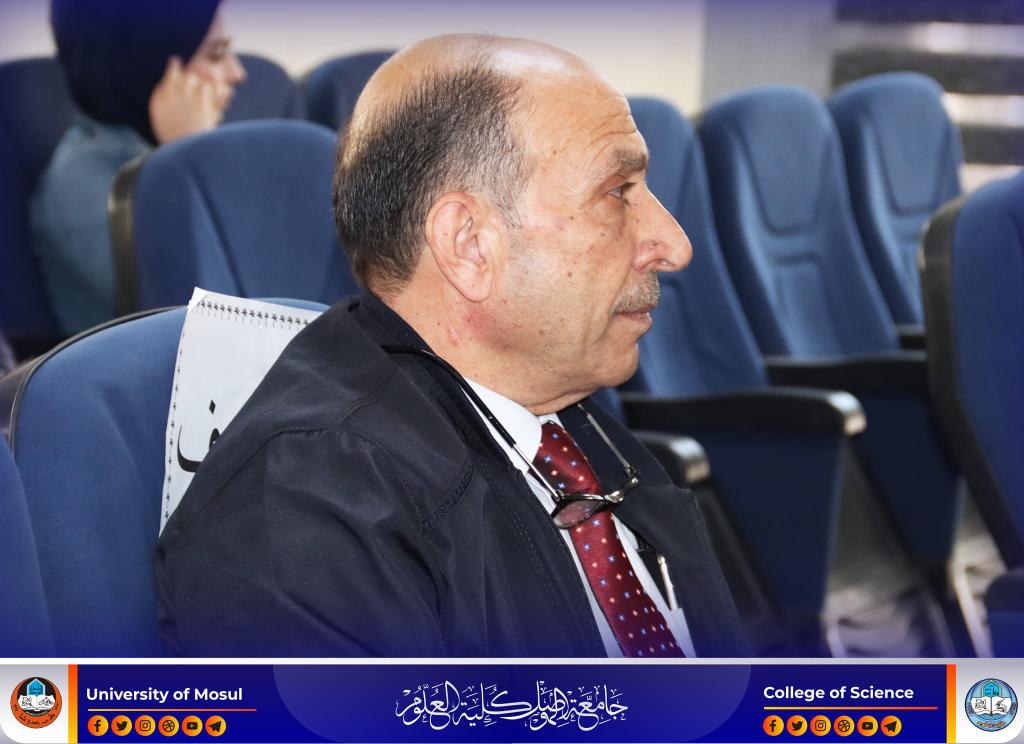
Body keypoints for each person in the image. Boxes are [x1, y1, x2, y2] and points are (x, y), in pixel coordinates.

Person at [156, 34, 749, 658]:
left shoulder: (563, 420)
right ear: (468, 245)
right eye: (617, 193)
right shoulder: (305, 509)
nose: (674, 244)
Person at [32, 0, 246, 335]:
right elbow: (215, 313)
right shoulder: (81, 181)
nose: (237, 73)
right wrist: (191, 155)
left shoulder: (147, 152)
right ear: (149, 65)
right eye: (216, 54)